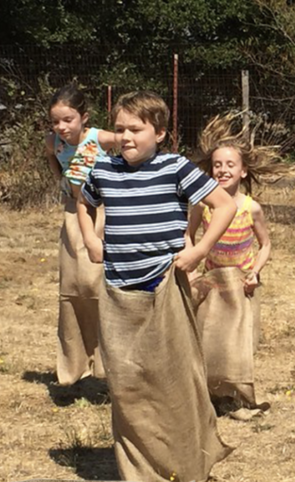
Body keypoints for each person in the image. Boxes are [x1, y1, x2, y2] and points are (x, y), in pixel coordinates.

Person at [73, 91, 235, 482]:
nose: (126, 137)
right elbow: (82, 200)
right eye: (119, 129)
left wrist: (198, 252)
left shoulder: (175, 167)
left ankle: (184, 459)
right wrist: (91, 241)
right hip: (117, 292)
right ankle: (140, 467)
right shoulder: (105, 170)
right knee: (127, 384)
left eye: (136, 129)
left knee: (172, 378)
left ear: (159, 132)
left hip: (163, 287)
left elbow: (224, 205)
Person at [186, 112, 288, 418]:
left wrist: (256, 271)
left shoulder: (250, 208)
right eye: (217, 165)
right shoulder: (202, 204)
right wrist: (192, 267)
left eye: (230, 165)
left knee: (238, 340)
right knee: (211, 337)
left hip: (243, 284)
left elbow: (265, 244)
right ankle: (211, 395)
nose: (222, 169)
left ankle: (236, 395)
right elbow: (188, 235)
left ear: (243, 172)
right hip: (212, 281)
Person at [45, 84, 117, 386]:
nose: (62, 127)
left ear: (84, 117)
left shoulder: (99, 138)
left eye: (68, 120)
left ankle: (108, 363)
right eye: (56, 121)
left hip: (102, 216)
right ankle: (76, 365)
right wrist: (62, 182)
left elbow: (132, 143)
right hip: (72, 215)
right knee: (74, 285)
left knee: (96, 283)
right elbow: (54, 161)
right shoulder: (53, 142)